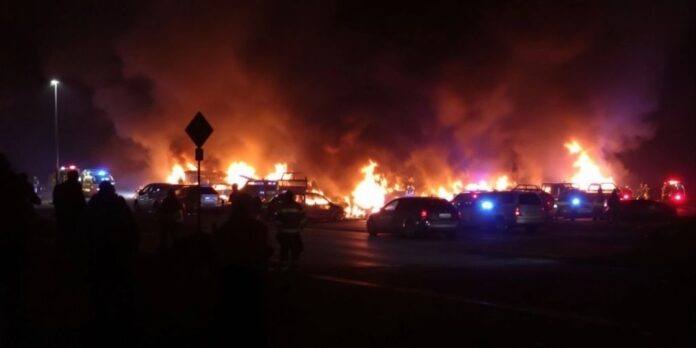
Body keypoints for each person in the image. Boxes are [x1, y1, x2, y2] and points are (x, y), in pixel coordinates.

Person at [85, 181, 139, 346]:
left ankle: (102, 316)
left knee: (101, 283)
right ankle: (121, 317)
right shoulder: (118, 202)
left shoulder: (95, 202)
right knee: (119, 281)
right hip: (117, 248)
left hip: (101, 249)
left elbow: (86, 224)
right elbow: (130, 224)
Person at [53, 170, 86, 257]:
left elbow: (55, 202)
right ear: (75, 177)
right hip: (74, 217)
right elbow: (82, 203)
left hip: (62, 216)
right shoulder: (77, 188)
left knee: (63, 238)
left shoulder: (59, 187)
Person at [272, 190, 306, 270]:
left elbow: (276, 219)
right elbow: (304, 218)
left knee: (284, 249)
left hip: (284, 233)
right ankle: (294, 266)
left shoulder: (282, 207)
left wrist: (280, 228)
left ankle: (283, 267)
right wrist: (300, 227)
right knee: (296, 249)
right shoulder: (297, 206)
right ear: (293, 197)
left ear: (286, 197)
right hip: (295, 233)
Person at [156, 188, 183, 253]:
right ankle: (175, 246)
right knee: (173, 234)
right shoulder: (176, 200)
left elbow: (163, 208)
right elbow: (180, 207)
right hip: (174, 220)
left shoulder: (166, 200)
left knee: (165, 233)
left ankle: (163, 247)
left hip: (168, 219)